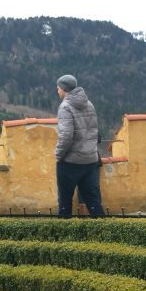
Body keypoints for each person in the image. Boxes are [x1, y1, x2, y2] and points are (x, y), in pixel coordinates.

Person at [54, 74, 105, 218]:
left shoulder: (65, 107)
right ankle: (105, 228)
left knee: (65, 201)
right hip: (90, 159)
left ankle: (65, 229)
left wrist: (58, 155)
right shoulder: (89, 104)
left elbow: (66, 136)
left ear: (64, 89)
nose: (57, 91)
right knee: (93, 201)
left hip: (70, 162)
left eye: (58, 88)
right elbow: (94, 131)